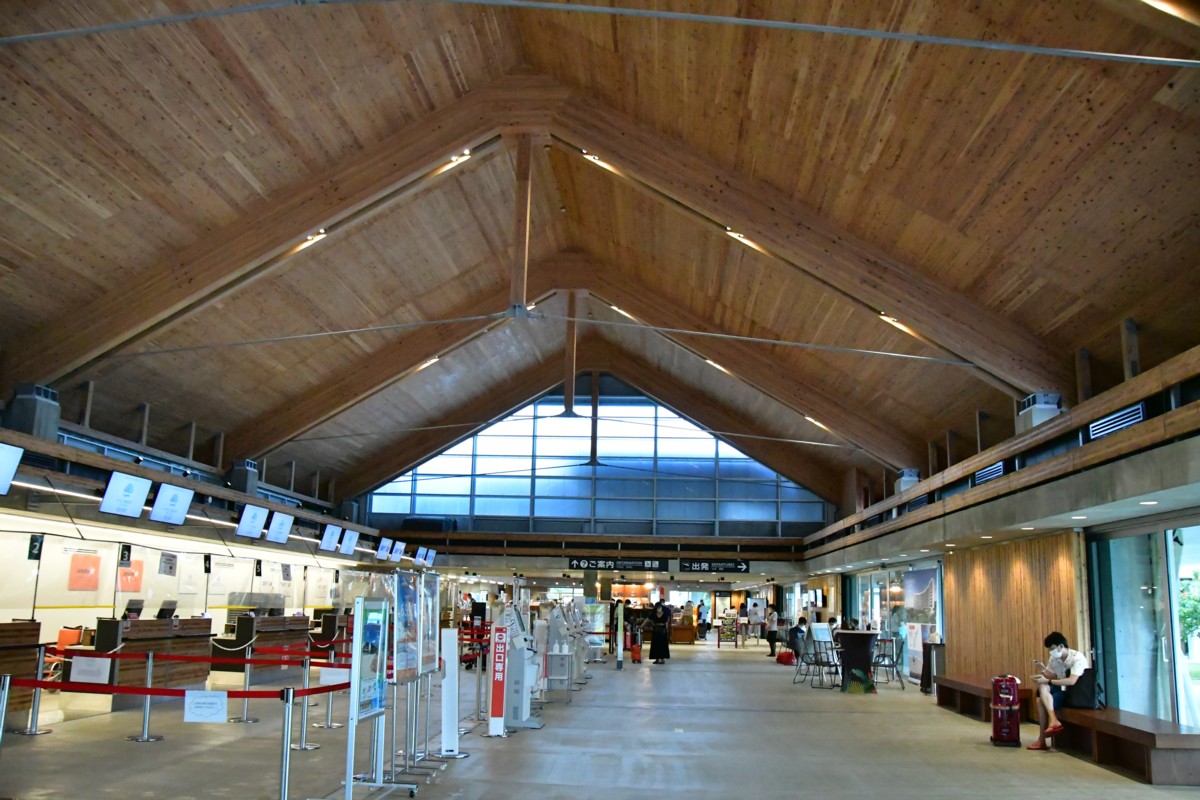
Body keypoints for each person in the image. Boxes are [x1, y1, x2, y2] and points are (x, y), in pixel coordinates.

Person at [1027, 631, 1090, 751]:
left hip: (1074, 692)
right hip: (1060, 689)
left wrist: (1048, 681)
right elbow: (1052, 675)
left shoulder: (1077, 658)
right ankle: (1054, 721)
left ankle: (1042, 739)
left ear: (1061, 646)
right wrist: (1043, 671)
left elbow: (1072, 681)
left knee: (1040, 701)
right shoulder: (1054, 658)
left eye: (1052, 648)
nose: (1051, 652)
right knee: (1042, 687)